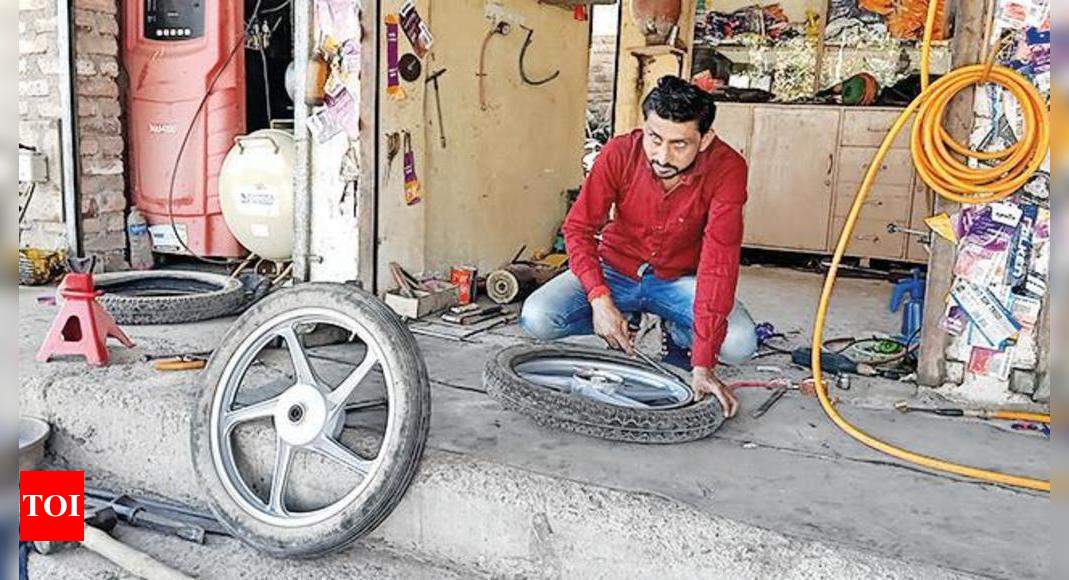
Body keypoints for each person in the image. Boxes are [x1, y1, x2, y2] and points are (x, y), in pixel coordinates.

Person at [520, 76, 757, 417]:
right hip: (616, 270)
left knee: (739, 343)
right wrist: (599, 299)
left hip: (678, 279)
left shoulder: (728, 168)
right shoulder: (618, 152)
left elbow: (719, 263)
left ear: (705, 140)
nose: (662, 156)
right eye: (655, 138)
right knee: (537, 318)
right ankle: (622, 315)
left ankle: (678, 329)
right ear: (644, 126)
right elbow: (579, 228)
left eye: (680, 145)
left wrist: (703, 364)